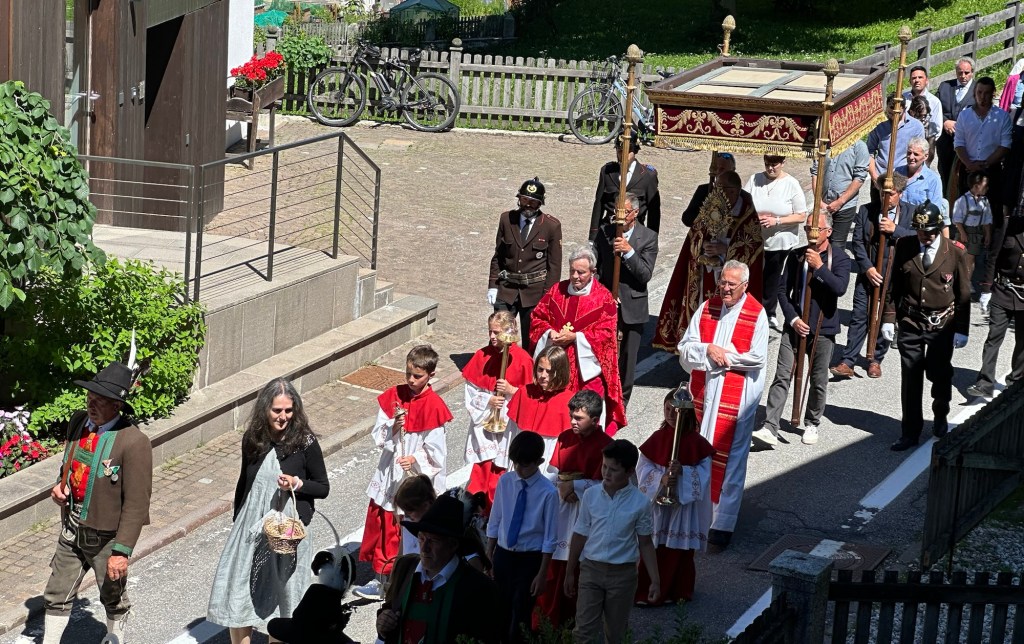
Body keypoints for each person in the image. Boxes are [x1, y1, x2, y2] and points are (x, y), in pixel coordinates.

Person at [208, 378, 330, 644]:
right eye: (277, 410)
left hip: (286, 530)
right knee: (238, 589)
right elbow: (244, 482)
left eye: (288, 410)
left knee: (285, 595)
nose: (283, 417)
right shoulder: (253, 439)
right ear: (265, 408)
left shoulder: (305, 442)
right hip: (251, 525)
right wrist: (238, 521)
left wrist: (296, 483)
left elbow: (322, 487)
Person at [43, 362, 153, 644]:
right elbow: (68, 465)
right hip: (72, 528)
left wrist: (121, 551)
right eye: (90, 397)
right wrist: (59, 486)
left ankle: (114, 639)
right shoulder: (78, 421)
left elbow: (137, 503)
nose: (91, 405)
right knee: (56, 593)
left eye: (99, 401)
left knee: (113, 596)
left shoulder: (134, 442)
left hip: (106, 536)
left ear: (117, 405)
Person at [678, 260, 768, 547]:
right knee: (699, 450)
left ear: (745, 286)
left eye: (731, 284)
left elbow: (757, 357)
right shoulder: (707, 308)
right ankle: (697, 512)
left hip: (736, 398)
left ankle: (723, 522)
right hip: (705, 393)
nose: (725, 288)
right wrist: (708, 349)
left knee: (730, 459)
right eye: (723, 282)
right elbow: (685, 347)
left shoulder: (757, 314)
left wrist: (722, 357)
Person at [356, 345, 452, 600]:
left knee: (404, 533)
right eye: (408, 373)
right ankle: (381, 580)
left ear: (431, 375)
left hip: (412, 479)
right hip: (390, 472)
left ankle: (402, 580)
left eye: (417, 376)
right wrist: (394, 427)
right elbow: (378, 436)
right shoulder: (394, 396)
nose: (411, 380)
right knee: (384, 526)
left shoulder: (434, 406)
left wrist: (416, 459)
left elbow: (437, 453)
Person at [753, 212, 850, 447]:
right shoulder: (796, 255)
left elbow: (840, 288)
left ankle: (812, 422)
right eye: (807, 229)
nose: (811, 234)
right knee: (782, 374)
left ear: (828, 232)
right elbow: (782, 291)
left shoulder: (840, 258)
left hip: (823, 329)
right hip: (794, 326)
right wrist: (793, 318)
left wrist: (820, 268)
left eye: (816, 229)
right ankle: (770, 426)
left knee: (818, 378)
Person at [883, 202, 972, 451]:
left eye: (931, 232)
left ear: (939, 228)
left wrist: (962, 329)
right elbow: (894, 285)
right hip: (911, 321)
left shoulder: (955, 252)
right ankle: (910, 431)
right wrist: (888, 318)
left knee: (939, 373)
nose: (926, 236)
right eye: (922, 232)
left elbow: (963, 293)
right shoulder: (905, 246)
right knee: (910, 377)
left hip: (941, 325)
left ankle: (940, 413)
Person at [655, 170, 764, 352]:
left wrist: (725, 249)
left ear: (733, 191)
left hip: (728, 279)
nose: (716, 192)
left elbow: (752, 246)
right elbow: (695, 234)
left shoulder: (747, 212)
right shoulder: (711, 207)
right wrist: (703, 244)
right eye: (716, 187)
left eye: (720, 189)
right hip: (703, 275)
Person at [564, 440, 659, 644]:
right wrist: (570, 571)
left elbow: (645, 543)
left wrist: (655, 579)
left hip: (623, 574)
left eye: (613, 470)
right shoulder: (590, 495)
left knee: (616, 633)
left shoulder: (640, 503)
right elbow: (580, 533)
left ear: (630, 471)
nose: (606, 473)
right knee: (583, 632)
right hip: (591, 569)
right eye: (604, 466)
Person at [376, 492, 503, 644]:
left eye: (433, 541)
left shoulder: (480, 589)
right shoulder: (406, 570)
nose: (424, 548)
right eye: (422, 538)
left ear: (453, 545)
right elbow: (390, 615)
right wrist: (383, 626)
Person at [534, 389, 612, 630]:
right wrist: (560, 487)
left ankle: (573, 624)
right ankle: (545, 623)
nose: (572, 422)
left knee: (577, 570)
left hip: (585, 515)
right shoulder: (565, 437)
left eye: (579, 418)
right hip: (561, 509)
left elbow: (608, 486)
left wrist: (575, 486)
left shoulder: (607, 447)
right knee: (553, 566)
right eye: (572, 416)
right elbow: (553, 473)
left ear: (595, 420)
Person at [530, 247, 627, 434]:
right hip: (556, 364)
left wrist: (576, 337)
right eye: (572, 271)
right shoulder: (556, 291)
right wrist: (549, 333)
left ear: (593, 272)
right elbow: (537, 318)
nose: (575, 276)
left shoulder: (603, 298)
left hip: (585, 371)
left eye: (581, 272)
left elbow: (607, 335)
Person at [830, 173, 916, 380]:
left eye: (891, 194)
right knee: (859, 316)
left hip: (894, 277)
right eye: (882, 193)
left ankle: (876, 359)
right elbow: (858, 242)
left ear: (900, 193)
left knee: (887, 317)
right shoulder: (866, 211)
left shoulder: (911, 213)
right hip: (869, 274)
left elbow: (917, 239)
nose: (886, 198)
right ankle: (848, 360)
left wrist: (895, 230)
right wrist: (867, 268)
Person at [635, 390, 715, 605]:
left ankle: (678, 591)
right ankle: (646, 591)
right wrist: (660, 479)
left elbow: (704, 474)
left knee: (679, 550)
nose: (670, 414)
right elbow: (643, 467)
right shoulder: (657, 438)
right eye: (667, 409)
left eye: (676, 411)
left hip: (682, 506)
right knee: (654, 547)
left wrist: (684, 473)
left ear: (686, 413)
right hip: (659, 502)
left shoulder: (697, 443)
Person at [486, 431, 559, 643]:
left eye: (525, 465)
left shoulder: (548, 492)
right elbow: (496, 518)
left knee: (521, 610)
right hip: (504, 554)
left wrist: (542, 573)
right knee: (500, 606)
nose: (518, 469)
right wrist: (489, 553)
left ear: (539, 462)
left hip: (530, 558)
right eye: (516, 463)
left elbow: (550, 537)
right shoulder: (506, 481)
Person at [593, 191, 658, 407]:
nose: (619, 216)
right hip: (607, 306)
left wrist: (629, 252)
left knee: (627, 362)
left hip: (633, 308)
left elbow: (645, 274)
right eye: (617, 211)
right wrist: (605, 295)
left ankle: (621, 404)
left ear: (636, 213)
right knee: (603, 354)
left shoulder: (648, 237)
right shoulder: (605, 232)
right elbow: (597, 270)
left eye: (625, 212)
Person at [463, 311, 534, 510]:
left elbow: (531, 398)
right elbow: (470, 391)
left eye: (496, 332)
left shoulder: (523, 359)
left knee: (501, 470)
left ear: (509, 331)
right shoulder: (481, 355)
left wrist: (512, 390)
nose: (492, 337)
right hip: (485, 421)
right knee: (482, 470)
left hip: (509, 424)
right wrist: (489, 400)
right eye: (490, 332)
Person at [488, 177, 563, 352]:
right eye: (524, 200)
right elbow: (498, 255)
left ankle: (526, 368)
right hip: (507, 289)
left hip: (534, 292)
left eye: (533, 202)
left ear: (540, 203)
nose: (528, 205)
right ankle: (498, 367)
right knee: (500, 336)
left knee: (532, 341)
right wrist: (493, 285)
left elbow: (554, 266)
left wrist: (547, 296)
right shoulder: (507, 219)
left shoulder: (551, 226)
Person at [745, 155, 808, 331]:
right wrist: (754, 216)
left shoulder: (791, 184)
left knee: (772, 277)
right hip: (756, 239)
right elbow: (744, 202)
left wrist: (777, 221)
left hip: (780, 239)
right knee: (753, 274)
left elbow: (801, 215)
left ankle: (769, 311)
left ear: (782, 163)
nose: (770, 168)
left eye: (774, 165)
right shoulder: (755, 179)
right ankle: (751, 307)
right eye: (767, 164)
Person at [967, 212, 1024, 398]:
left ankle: (1015, 381)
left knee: (1023, 342)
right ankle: (985, 382)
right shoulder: (1008, 224)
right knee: (994, 336)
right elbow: (993, 255)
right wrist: (986, 289)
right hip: (1003, 290)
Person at [504, 345, 576, 478]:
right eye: (540, 369)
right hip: (520, 460)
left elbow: (569, 447)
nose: (543, 375)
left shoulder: (570, 402)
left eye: (549, 371)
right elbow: (511, 433)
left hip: (548, 464)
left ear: (560, 372)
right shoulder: (524, 392)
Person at [953, 76, 1012, 229]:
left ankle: (991, 241)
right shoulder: (964, 116)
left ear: (993, 94)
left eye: (986, 93)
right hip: (968, 169)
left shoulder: (1002, 117)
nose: (982, 97)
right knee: (966, 210)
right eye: (979, 92)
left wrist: (986, 163)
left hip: (992, 169)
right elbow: (959, 143)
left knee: (992, 211)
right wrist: (969, 164)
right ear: (974, 93)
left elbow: (1005, 145)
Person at [589, 128, 661, 240]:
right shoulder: (607, 172)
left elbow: (654, 212)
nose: (623, 155)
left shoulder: (648, 176)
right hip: (608, 232)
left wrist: (651, 239)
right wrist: (593, 235)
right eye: (620, 151)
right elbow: (599, 204)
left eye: (627, 151)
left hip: (635, 234)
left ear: (635, 151)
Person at [867, 94, 927, 214]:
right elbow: (869, 152)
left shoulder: (916, 127)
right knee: (876, 213)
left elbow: (920, 154)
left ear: (904, 109)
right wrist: (874, 177)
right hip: (880, 177)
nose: (892, 116)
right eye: (889, 113)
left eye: (896, 113)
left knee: (901, 214)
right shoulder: (879, 125)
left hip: (902, 179)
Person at [810, 140, 868, 254]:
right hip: (822, 204)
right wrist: (819, 201)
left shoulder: (859, 146)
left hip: (845, 205)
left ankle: (835, 265)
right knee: (818, 240)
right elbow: (815, 172)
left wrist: (840, 201)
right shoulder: (823, 143)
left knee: (837, 245)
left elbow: (860, 177)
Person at [937, 57, 976, 195]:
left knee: (964, 175)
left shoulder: (979, 90)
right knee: (945, 171)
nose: (963, 76)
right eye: (960, 73)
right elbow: (935, 110)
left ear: (972, 72)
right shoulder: (945, 86)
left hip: (967, 142)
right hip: (945, 141)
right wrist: (944, 121)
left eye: (967, 73)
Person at [897, 136, 949, 235]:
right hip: (897, 224)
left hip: (918, 229)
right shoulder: (897, 172)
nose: (911, 157)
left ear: (925, 156)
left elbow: (935, 209)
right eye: (909, 153)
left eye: (916, 154)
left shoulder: (933, 179)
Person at [952, 172, 993, 279]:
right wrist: (962, 233)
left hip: (976, 235)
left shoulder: (985, 201)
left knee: (971, 258)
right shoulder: (962, 200)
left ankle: (967, 281)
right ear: (976, 186)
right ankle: (958, 280)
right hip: (964, 232)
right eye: (985, 186)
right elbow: (957, 219)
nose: (987, 188)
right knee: (960, 257)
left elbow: (987, 219)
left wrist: (988, 234)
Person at [681, 152, 736, 227]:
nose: (718, 172)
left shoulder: (743, 196)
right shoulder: (703, 190)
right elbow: (687, 219)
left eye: (722, 169)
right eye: (716, 168)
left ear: (732, 170)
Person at [903, 65, 944, 157]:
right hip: (904, 144)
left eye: (920, 77)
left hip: (923, 147)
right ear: (910, 81)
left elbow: (937, 128)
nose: (917, 80)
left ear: (926, 80)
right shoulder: (903, 99)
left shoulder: (934, 101)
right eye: (914, 78)